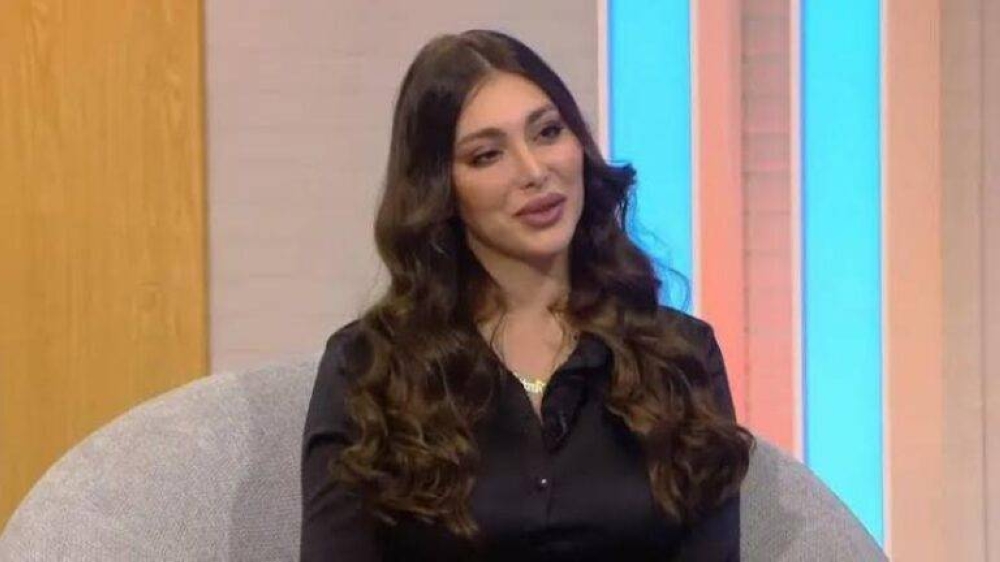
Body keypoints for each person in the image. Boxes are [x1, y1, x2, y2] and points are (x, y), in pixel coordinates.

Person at [301, 29, 754, 561]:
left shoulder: (679, 357)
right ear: (439, 189)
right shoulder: (368, 369)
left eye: (547, 132)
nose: (535, 172)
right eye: (487, 155)